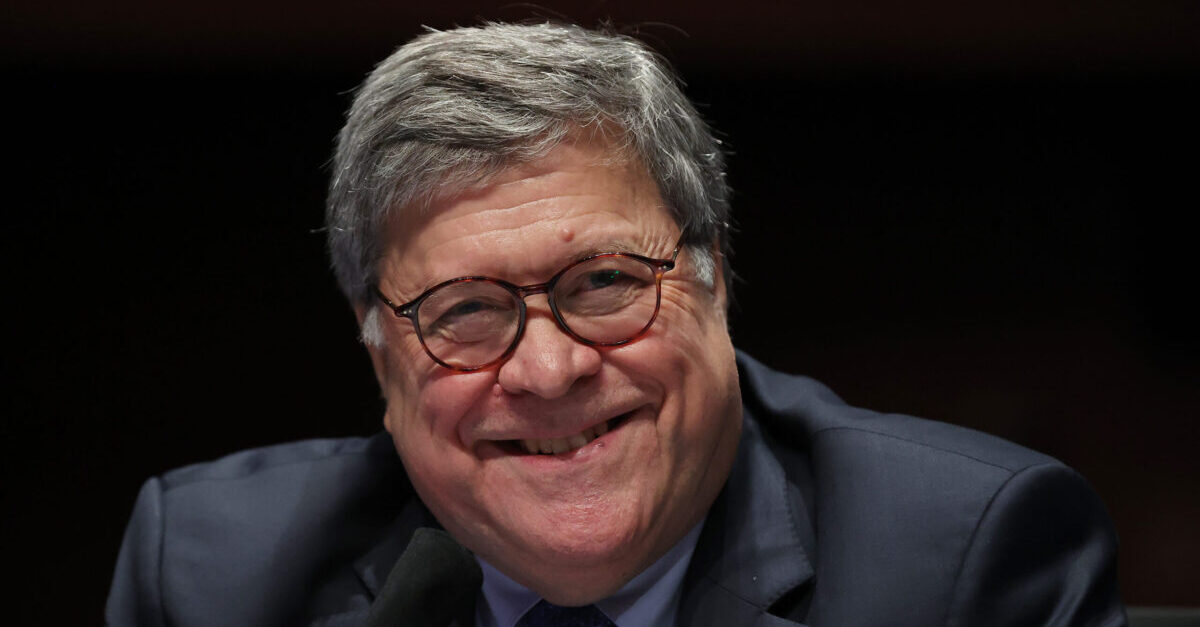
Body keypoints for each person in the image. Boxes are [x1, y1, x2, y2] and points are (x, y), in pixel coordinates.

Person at [106, 22, 1127, 627]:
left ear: (714, 273)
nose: (548, 372)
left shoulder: (961, 564)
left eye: (601, 283)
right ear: (376, 346)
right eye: (465, 311)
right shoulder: (214, 575)